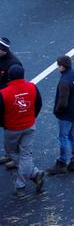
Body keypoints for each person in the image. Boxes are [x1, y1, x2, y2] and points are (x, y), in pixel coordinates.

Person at [1, 64, 45, 197]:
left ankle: (23, 184)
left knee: (12, 152)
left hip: (12, 128)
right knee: (26, 155)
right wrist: (32, 117)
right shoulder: (32, 87)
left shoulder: (3, 93)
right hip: (29, 126)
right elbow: (39, 104)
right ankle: (33, 173)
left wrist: (4, 124)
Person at [48, 56, 74, 175]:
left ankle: (62, 162)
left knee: (63, 138)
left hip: (66, 115)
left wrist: (57, 111)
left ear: (62, 66)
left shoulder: (64, 81)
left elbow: (63, 102)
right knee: (73, 135)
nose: (58, 67)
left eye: (58, 65)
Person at [0, 38, 20, 170]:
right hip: (1, 98)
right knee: (5, 128)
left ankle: (15, 157)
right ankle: (9, 153)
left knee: (12, 130)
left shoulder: (14, 64)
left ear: (4, 51)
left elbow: (17, 85)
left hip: (8, 100)